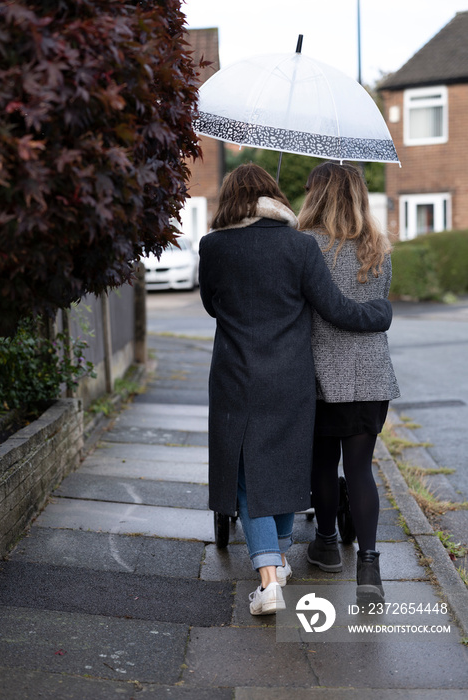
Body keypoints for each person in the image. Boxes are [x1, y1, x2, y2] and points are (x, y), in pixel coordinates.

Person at [199, 163, 393, 616]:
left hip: (235, 377)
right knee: (288, 465)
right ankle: (287, 554)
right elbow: (334, 307)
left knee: (248, 473)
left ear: (230, 198)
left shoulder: (213, 246)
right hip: (293, 377)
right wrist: (380, 314)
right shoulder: (303, 246)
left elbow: (211, 305)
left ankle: (270, 576)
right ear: (273, 197)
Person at [297, 161, 400, 604]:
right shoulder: (379, 247)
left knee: (322, 464)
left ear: (317, 195)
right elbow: (377, 305)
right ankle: (370, 567)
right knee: (360, 469)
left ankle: (325, 544)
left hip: (322, 374)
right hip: (373, 375)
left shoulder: (305, 246)